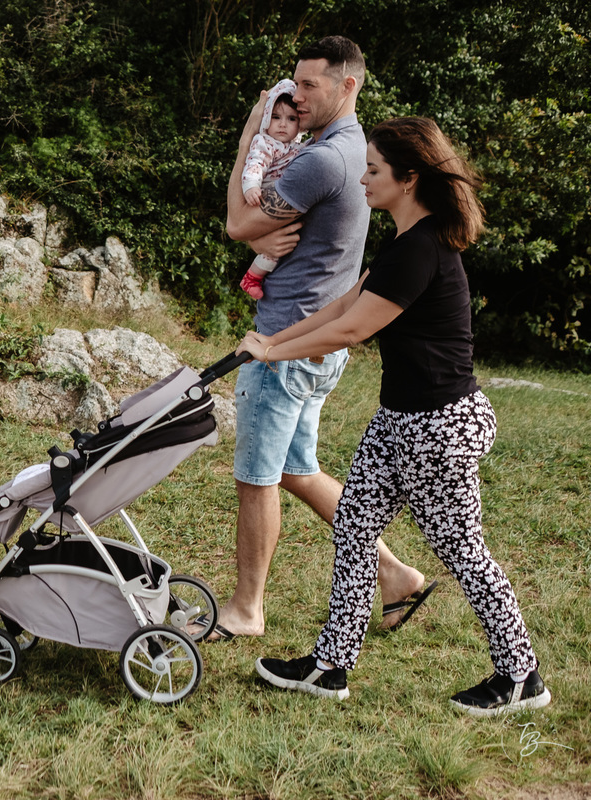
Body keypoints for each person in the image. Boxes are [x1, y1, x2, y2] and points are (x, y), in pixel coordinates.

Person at [242, 116, 551, 716]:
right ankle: (331, 666)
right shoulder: (406, 244)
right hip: (400, 419)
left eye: (374, 170)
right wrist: (272, 338)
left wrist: (273, 352)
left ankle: (522, 676)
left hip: (438, 426)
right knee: (355, 528)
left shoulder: (421, 248)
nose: (363, 179)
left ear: (408, 180)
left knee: (461, 549)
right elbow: (345, 304)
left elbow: (353, 330)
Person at [209, 35, 430, 642]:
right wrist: (261, 241)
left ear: (347, 85)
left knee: (257, 475)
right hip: (320, 342)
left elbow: (237, 223)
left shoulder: (322, 159)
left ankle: (246, 609)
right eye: (294, 84)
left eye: (309, 85)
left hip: (287, 342)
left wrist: (246, 141)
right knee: (295, 468)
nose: (296, 96)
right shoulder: (350, 147)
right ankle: (394, 574)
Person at [239, 79, 305, 300]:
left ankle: (255, 276)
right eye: (276, 117)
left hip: (282, 195)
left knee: (281, 244)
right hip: (263, 191)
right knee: (273, 247)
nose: (282, 124)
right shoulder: (264, 142)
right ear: (267, 118)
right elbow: (255, 163)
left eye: (291, 119)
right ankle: (251, 278)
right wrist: (251, 186)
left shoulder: (297, 147)